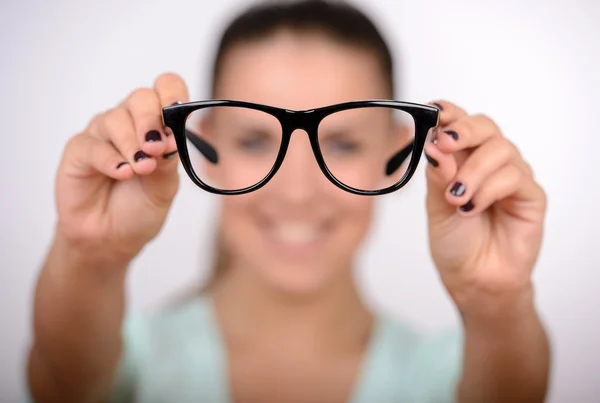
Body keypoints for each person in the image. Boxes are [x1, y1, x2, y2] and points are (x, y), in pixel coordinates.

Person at [26, 1, 551, 402]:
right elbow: (66, 384)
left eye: (343, 143)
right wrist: (90, 253)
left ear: (398, 153)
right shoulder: (131, 357)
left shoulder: (444, 377)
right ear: (204, 145)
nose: (297, 192)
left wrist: (497, 300)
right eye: (254, 141)